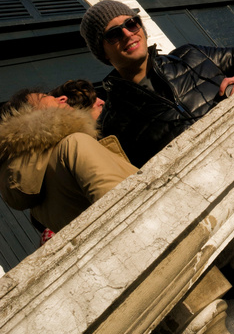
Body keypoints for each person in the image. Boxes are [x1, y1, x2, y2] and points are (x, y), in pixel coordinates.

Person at [79, 0, 234, 167]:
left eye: (132, 23)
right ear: (103, 51)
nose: (127, 34)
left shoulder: (191, 56)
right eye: (113, 34)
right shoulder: (112, 125)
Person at [0, 88, 137, 234]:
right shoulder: (74, 144)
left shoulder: (38, 205)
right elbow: (124, 205)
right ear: (27, 117)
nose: (63, 97)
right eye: (44, 97)